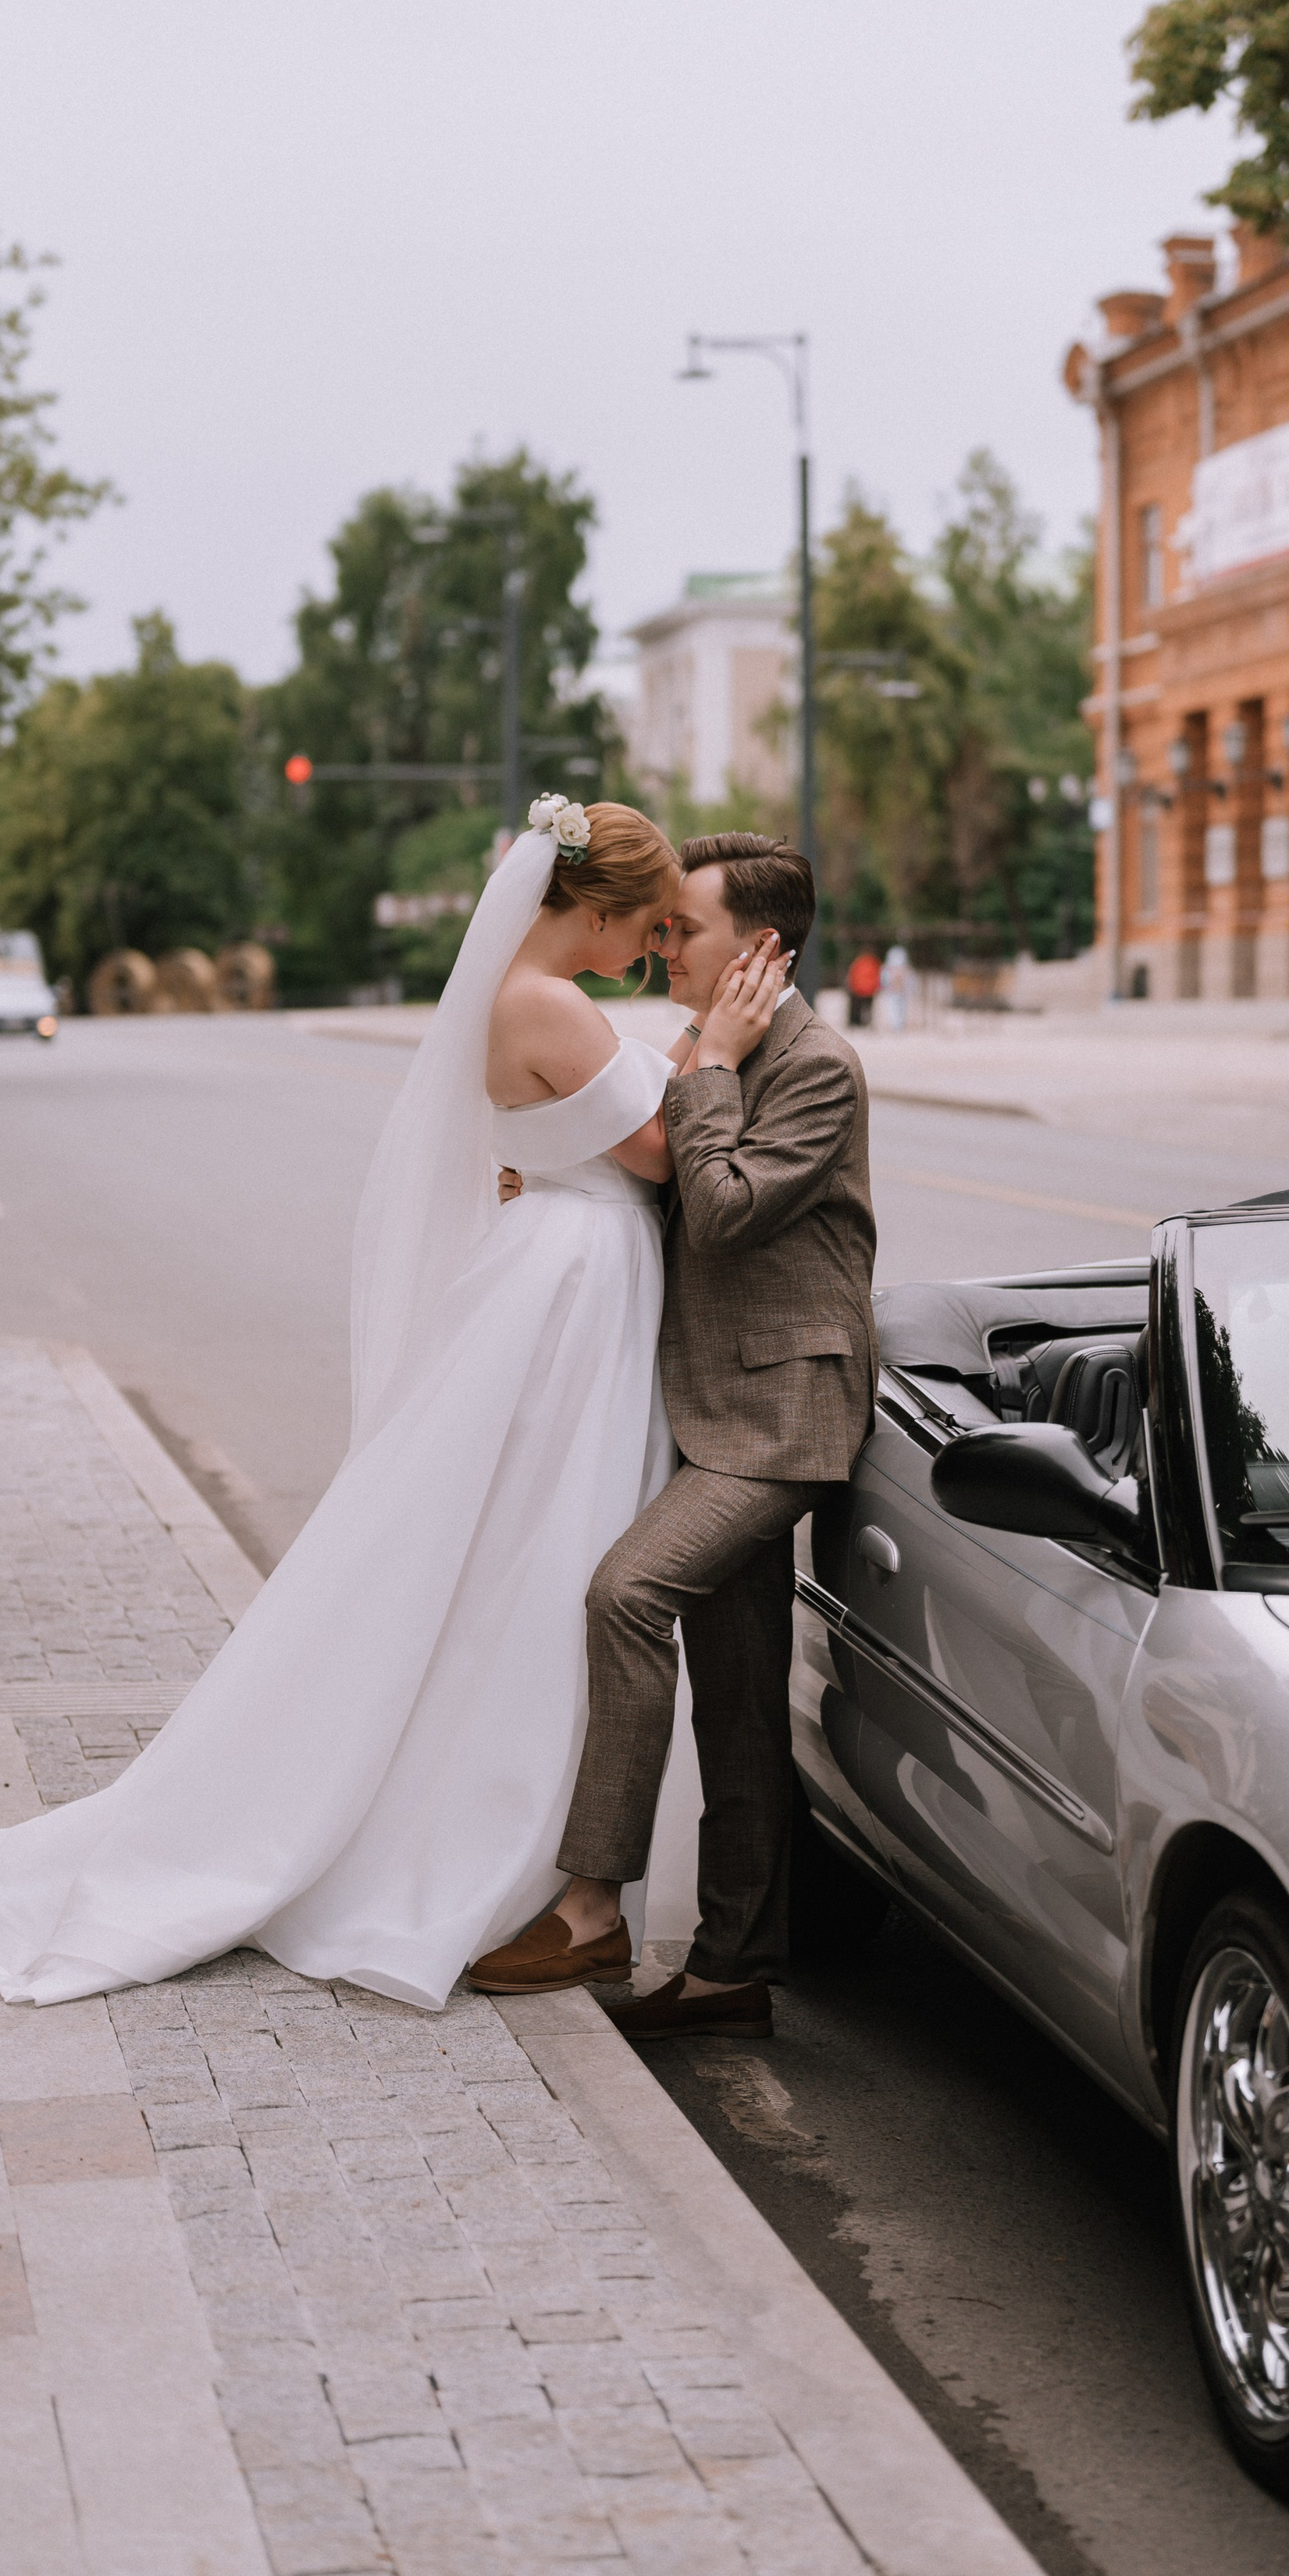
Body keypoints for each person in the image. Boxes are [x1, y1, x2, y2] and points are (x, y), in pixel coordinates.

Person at [0, 799, 790, 2011]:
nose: (655, 945)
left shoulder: (539, 998)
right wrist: (714, 1053)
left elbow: (612, 1115)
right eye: (648, 924)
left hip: (568, 1280)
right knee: (529, 1554)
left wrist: (683, 1058)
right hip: (569, 1296)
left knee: (524, 1553)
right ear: (599, 911)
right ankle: (472, 1835)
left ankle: (530, 1836)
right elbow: (665, 1154)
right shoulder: (546, 1004)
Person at [467, 831, 878, 2042]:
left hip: (785, 1415)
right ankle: (733, 1964)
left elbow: (725, 1209)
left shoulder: (815, 1066)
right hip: (707, 1398)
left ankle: (594, 1902)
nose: (659, 948)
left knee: (625, 1596)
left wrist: (709, 1069)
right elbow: (642, 1164)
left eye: (681, 931)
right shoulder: (709, 1050)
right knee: (740, 1696)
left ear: (758, 949)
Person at [844, 943, 881, 1029]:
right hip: (869, 989)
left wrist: (852, 986)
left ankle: (856, 1022)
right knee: (868, 1007)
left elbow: (853, 975)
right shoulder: (873, 962)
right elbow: (877, 976)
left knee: (857, 1007)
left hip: (859, 989)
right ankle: (867, 1022)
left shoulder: (859, 962)